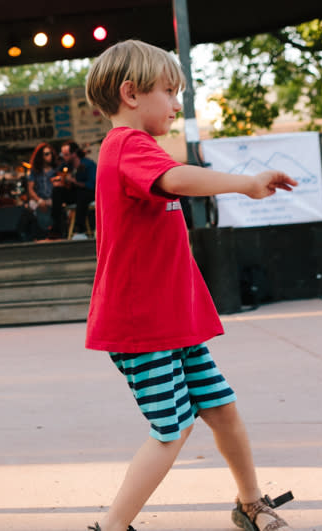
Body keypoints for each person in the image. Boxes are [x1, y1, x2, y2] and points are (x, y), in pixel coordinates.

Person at [82, 39, 297, 531]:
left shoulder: (137, 147)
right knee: (171, 428)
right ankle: (111, 527)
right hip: (144, 327)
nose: (178, 104)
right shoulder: (128, 145)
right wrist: (245, 182)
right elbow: (177, 181)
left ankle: (250, 504)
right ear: (131, 93)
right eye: (170, 91)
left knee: (221, 408)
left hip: (170, 323)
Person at [51, 140, 97, 239]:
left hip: (87, 194)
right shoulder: (66, 165)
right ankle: (57, 227)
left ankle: (80, 229)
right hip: (74, 193)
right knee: (57, 191)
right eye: (63, 154)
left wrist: (74, 181)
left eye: (66, 154)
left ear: (74, 154)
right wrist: (58, 181)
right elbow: (55, 175)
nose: (64, 157)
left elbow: (92, 185)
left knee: (82, 194)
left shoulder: (88, 164)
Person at [26, 142, 58, 237]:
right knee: (32, 207)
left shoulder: (56, 170)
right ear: (41, 156)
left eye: (50, 153)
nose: (50, 156)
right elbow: (30, 189)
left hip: (53, 200)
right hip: (39, 199)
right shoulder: (35, 171)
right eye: (46, 154)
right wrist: (39, 200)